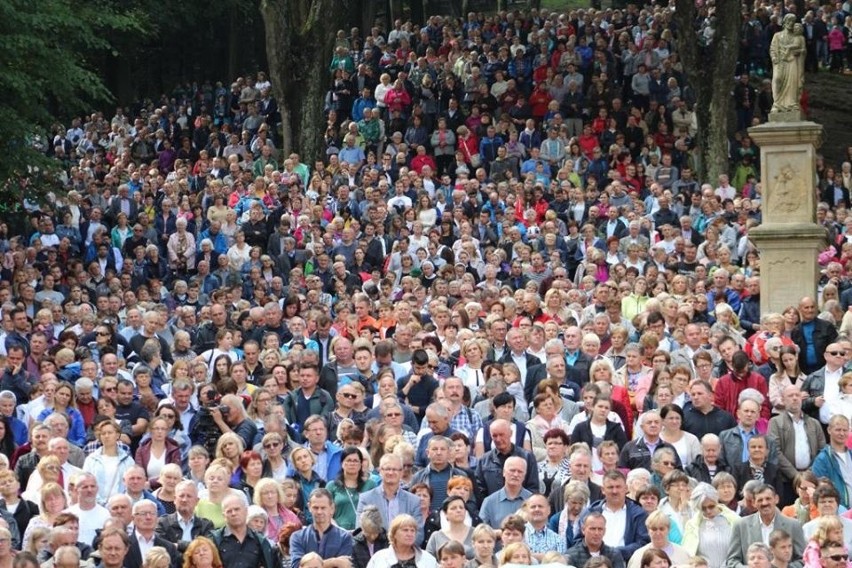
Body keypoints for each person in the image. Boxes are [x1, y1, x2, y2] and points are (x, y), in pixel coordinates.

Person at [726, 484, 806, 568]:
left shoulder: (793, 525)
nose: (764, 503)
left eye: (768, 499)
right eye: (760, 500)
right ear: (753, 503)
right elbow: (732, 560)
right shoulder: (740, 525)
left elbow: (802, 559)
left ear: (776, 499)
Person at [682, 483, 741, 568]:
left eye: (711, 506)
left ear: (716, 500)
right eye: (703, 508)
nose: (708, 511)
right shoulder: (692, 525)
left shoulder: (735, 520)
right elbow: (689, 555)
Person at [209, 494, 277, 568]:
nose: (233, 513)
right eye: (229, 511)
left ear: (246, 511)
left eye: (237, 509)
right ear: (224, 516)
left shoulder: (260, 541)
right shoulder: (214, 540)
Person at [289, 489, 352, 568]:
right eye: (315, 508)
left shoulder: (344, 537)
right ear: (309, 507)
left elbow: (345, 565)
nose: (319, 512)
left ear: (332, 508)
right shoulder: (297, 537)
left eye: (323, 508)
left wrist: (309, 565)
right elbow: (296, 566)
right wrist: (334, 561)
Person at [155, 480, 215, 554]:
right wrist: (194, 546)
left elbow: (207, 548)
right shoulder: (163, 523)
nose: (184, 500)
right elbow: (160, 547)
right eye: (181, 496)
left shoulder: (206, 525)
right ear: (174, 499)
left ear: (197, 501)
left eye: (189, 496)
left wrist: (178, 545)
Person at [479, 456, 533, 530]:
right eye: (512, 470)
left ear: (524, 476)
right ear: (504, 472)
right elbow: (481, 532)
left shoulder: (533, 501)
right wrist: (499, 533)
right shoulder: (489, 502)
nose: (516, 474)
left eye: (520, 471)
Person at [365, 514, 437, 568]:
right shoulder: (379, 558)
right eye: (405, 530)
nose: (410, 534)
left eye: (413, 531)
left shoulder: (427, 559)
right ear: (394, 534)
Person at [125, 500, 179, 568]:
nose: (148, 517)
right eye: (143, 513)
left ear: (157, 518)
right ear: (133, 518)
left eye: (152, 513)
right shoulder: (125, 545)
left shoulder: (169, 547)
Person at [769, 13, 806, 114]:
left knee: (793, 83)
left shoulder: (797, 36)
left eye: (793, 22)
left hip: (793, 61)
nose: (791, 23)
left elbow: (803, 50)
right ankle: (777, 103)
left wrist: (799, 52)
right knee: (777, 79)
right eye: (789, 21)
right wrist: (774, 57)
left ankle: (792, 104)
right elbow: (773, 48)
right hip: (780, 61)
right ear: (784, 22)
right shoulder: (777, 35)